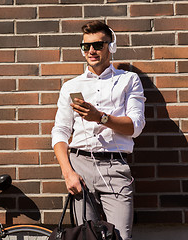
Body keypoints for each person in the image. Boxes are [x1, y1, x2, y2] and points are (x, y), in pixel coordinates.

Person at [51, 21, 146, 240]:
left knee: (121, 236)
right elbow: (60, 131)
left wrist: (100, 118)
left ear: (110, 47)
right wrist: (68, 173)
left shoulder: (128, 80)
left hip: (115, 165)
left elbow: (135, 126)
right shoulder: (71, 86)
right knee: (87, 237)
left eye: (98, 45)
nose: (91, 51)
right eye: (86, 46)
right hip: (80, 167)